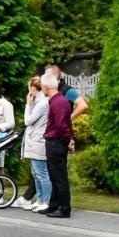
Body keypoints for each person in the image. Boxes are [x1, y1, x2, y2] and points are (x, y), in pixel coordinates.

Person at [40, 70, 74, 219]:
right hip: (55, 141)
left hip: (56, 142)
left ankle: (65, 208)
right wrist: (70, 138)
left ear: (47, 87)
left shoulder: (58, 103)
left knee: (59, 177)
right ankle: (53, 205)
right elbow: (67, 123)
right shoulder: (56, 101)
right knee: (54, 176)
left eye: (42, 87)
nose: (42, 89)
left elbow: (62, 126)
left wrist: (68, 140)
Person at [20, 75, 52, 212]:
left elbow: (28, 121)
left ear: (33, 88)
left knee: (42, 173)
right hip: (34, 142)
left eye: (29, 88)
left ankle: (46, 201)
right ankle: (39, 200)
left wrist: (28, 104)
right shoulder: (38, 102)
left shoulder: (42, 104)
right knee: (35, 173)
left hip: (38, 143)